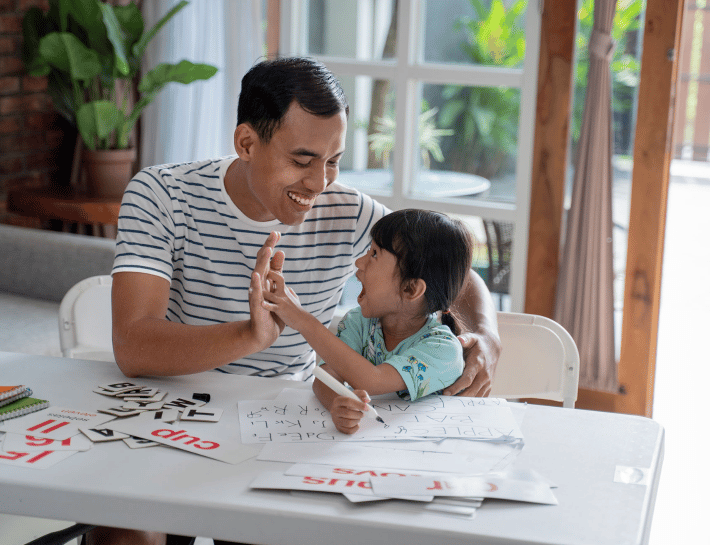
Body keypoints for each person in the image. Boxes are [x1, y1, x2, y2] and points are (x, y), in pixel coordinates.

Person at [92, 56, 501, 545]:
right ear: (246, 142)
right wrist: (249, 336)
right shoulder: (161, 194)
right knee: (126, 533)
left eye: (333, 161)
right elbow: (134, 346)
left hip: (286, 419)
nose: (319, 182)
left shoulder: (349, 212)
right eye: (302, 160)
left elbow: (453, 273)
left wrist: (487, 334)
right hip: (173, 406)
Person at [262, 209, 474, 434]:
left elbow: (373, 380)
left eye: (374, 254)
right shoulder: (359, 323)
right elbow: (326, 376)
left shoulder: (443, 349)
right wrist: (338, 402)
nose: (359, 262)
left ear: (411, 288)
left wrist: (304, 321)